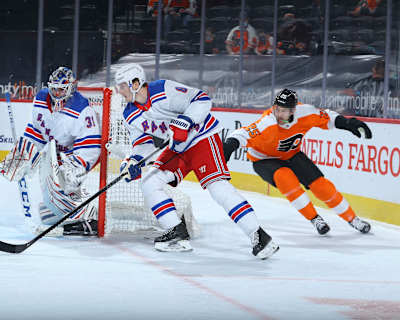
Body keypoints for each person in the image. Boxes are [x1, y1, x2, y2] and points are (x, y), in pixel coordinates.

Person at [114, 63, 278, 258]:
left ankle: (259, 236)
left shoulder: (162, 89)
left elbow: (201, 99)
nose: (119, 91)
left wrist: (186, 121)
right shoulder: (129, 114)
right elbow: (143, 144)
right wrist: (134, 160)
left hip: (202, 137)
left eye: (122, 85)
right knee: (149, 181)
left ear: (135, 82)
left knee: (217, 188)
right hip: (178, 148)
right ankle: (176, 233)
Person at [222, 88, 372, 235]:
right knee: (285, 178)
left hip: (292, 154)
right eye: (277, 109)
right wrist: (229, 146)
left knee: (321, 186)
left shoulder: (306, 112)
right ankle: (315, 219)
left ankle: (353, 219)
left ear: (293, 111)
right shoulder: (267, 123)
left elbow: (328, 117)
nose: (279, 114)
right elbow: (242, 133)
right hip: (264, 160)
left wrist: (347, 123)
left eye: (284, 110)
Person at [0, 67, 101, 236]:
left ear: (71, 88)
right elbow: (37, 132)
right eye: (54, 89)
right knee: (47, 211)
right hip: (54, 153)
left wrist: (74, 167)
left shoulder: (82, 109)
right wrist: (22, 156)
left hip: (77, 155)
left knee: (63, 182)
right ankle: (67, 211)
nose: (57, 93)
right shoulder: (40, 99)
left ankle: (89, 218)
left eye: (61, 89)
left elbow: (91, 147)